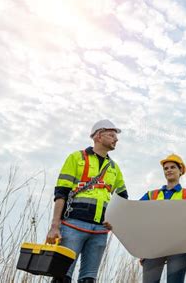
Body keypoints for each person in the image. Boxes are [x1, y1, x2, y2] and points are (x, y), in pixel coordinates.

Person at [46, 119, 128, 283]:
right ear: (99, 136)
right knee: (62, 275)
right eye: (112, 135)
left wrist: (115, 222)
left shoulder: (114, 168)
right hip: (73, 226)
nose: (116, 139)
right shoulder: (76, 158)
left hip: (100, 230)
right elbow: (61, 193)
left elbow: (123, 199)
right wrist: (55, 225)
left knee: (89, 279)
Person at [139, 154, 186, 283]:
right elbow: (137, 216)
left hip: (180, 246)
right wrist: (142, 248)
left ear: (181, 171)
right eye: (166, 168)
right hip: (154, 246)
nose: (168, 170)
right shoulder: (151, 195)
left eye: (173, 167)